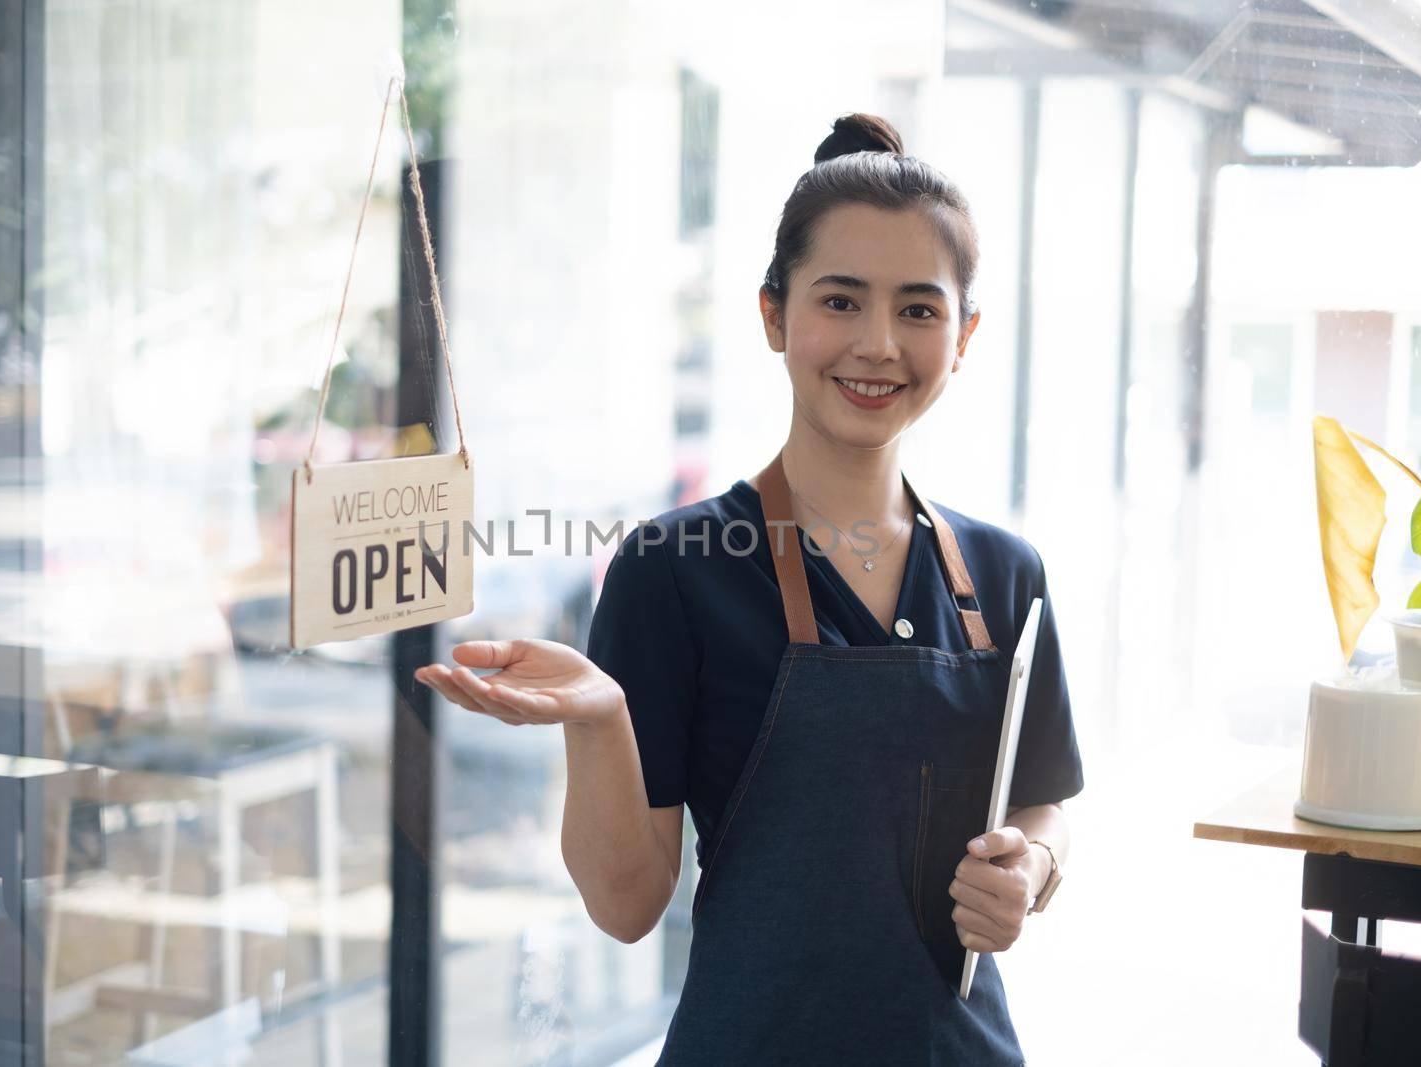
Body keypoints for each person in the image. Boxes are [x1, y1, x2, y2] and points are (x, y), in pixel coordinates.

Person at [415, 112, 1084, 1065]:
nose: (880, 344)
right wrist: (600, 718)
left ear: (964, 334)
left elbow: (1044, 797)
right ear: (774, 315)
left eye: (919, 309)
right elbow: (625, 905)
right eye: (841, 301)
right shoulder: (674, 570)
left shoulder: (1006, 574)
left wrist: (1035, 865)